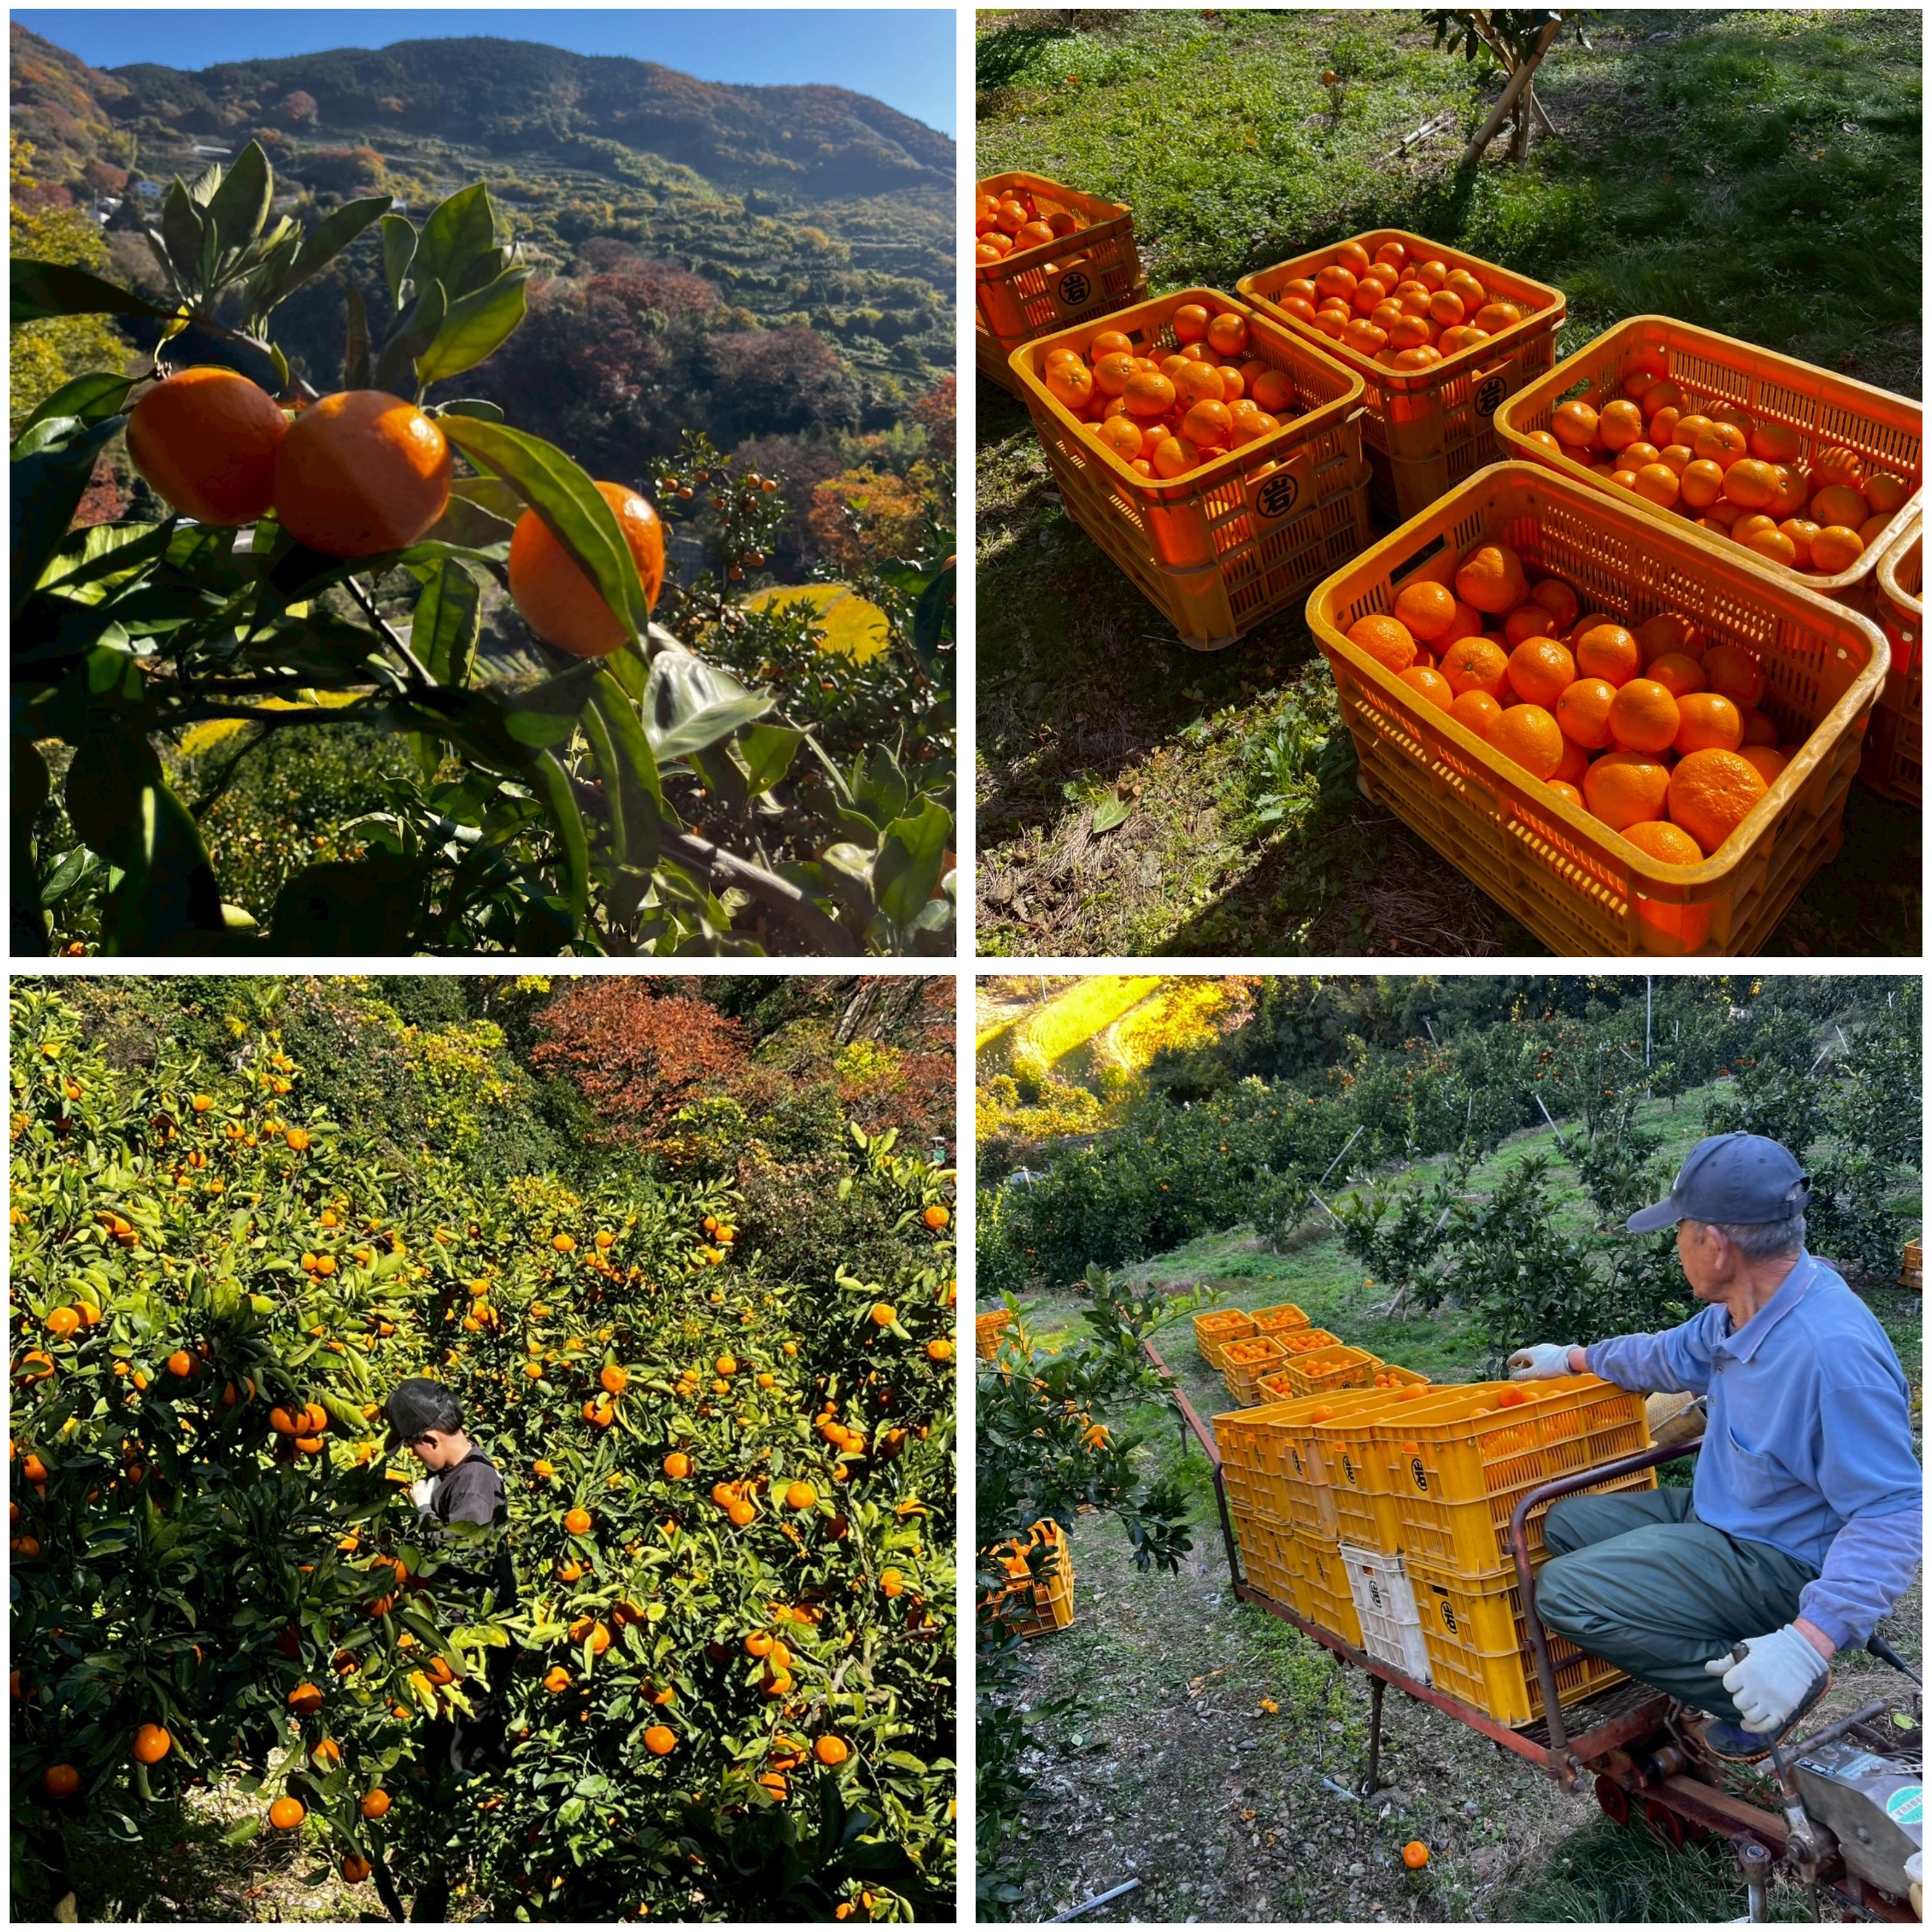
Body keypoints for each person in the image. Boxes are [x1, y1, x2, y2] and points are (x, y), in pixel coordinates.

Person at [1508, 1132, 1921, 1761]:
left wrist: (1810, 1638)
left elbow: (1892, 1509)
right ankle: (1698, 1634)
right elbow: (1668, 1354)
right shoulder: (1747, 1309)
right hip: (1728, 1510)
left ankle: (1759, 1692)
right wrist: (1570, 1358)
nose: (1676, 1246)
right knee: (1563, 1520)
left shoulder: (1828, 1356)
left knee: (1562, 1592)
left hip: (1782, 1558)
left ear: (1715, 1245)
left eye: (1679, 1231)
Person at [381, 1378, 519, 1775]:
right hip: (457, 1623)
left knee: (473, 1723)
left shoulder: (474, 1482)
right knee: (451, 1717)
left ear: (431, 1439)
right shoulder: (457, 1474)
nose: (413, 1455)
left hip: (476, 1627)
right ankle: (445, 1793)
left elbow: (467, 1553)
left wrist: (425, 1514)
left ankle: (475, 1800)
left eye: (412, 1446)